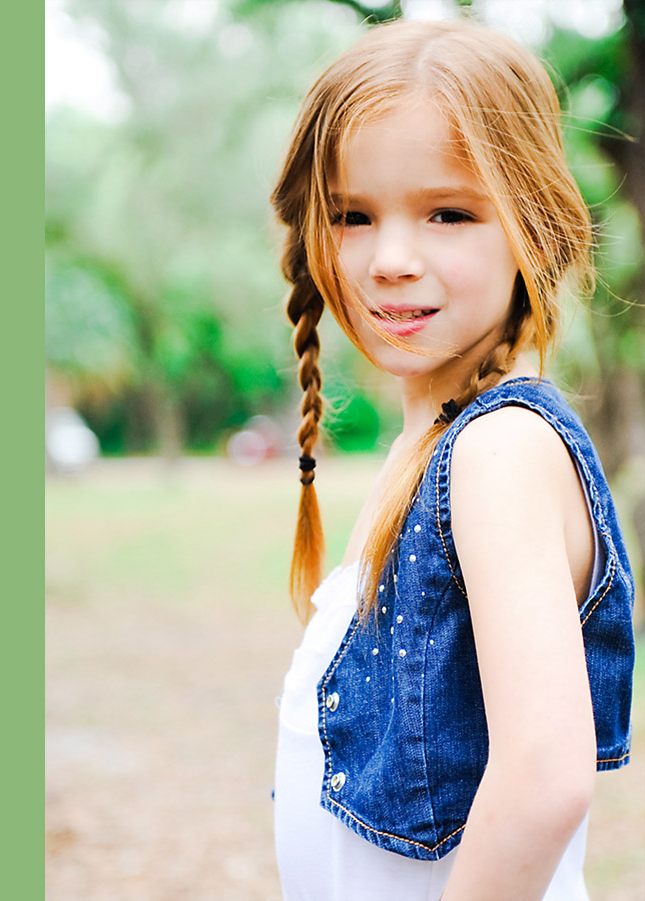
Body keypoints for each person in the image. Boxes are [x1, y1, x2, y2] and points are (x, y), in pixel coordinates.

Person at [270, 17, 635, 901]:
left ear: (533, 226)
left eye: (449, 213)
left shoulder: (497, 451)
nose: (392, 259)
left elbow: (544, 780)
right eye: (353, 215)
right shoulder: (433, 447)